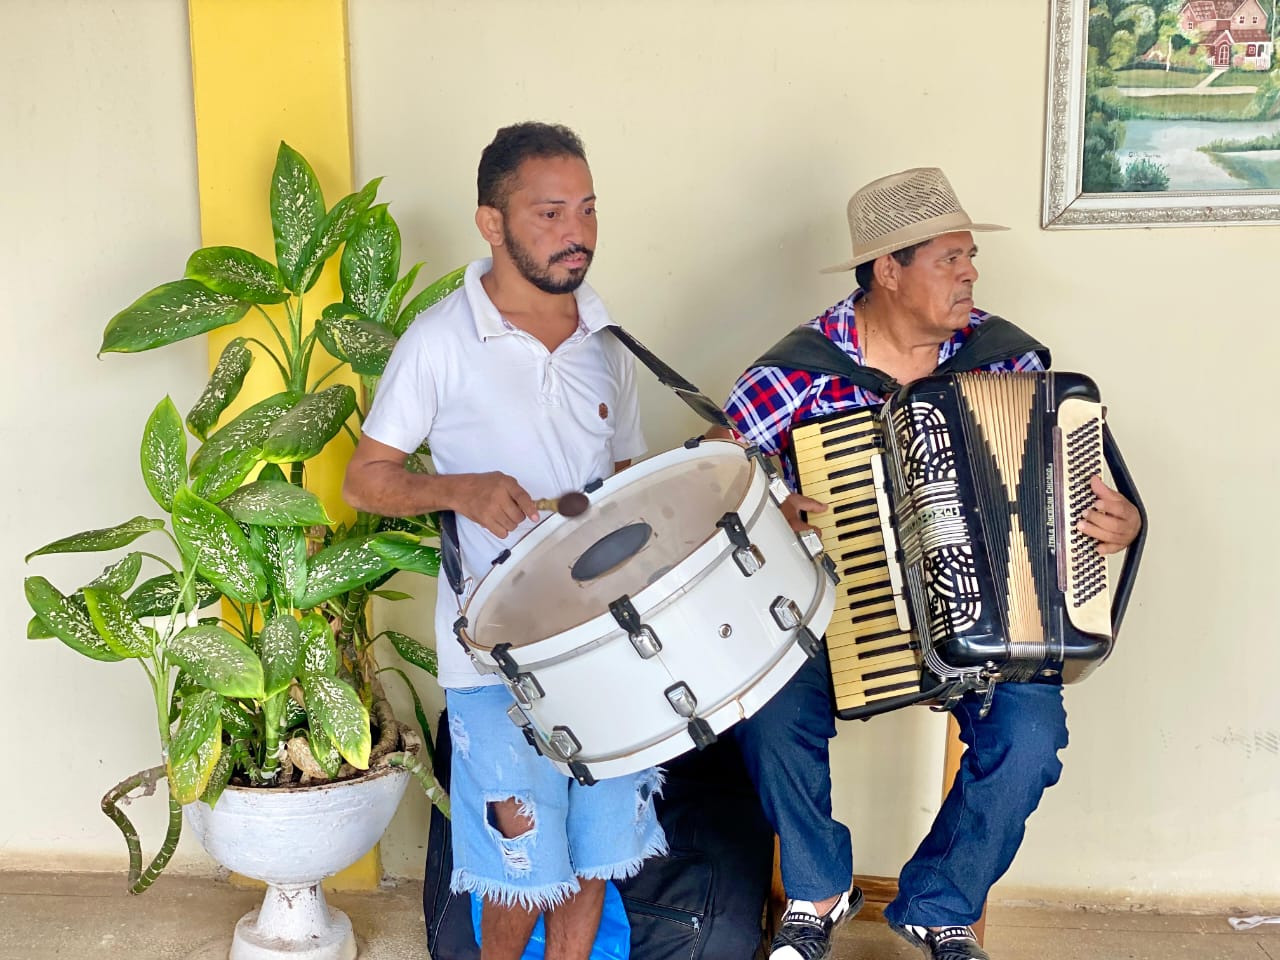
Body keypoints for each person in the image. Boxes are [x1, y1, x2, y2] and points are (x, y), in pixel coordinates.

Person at [715, 167, 1142, 960]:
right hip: (837, 614)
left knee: (1032, 731)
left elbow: (1069, 493)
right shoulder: (797, 373)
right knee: (767, 712)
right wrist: (767, 503)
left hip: (982, 624)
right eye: (950, 259)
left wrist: (1119, 520)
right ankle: (817, 889)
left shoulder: (1006, 361)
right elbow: (711, 476)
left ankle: (940, 901)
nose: (970, 273)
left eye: (969, 256)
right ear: (889, 270)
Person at [343, 122, 666, 960]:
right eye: (550, 213)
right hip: (494, 656)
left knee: (594, 854)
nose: (577, 232)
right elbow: (364, 480)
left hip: (606, 640)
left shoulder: (609, 345)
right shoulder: (440, 341)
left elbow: (626, 484)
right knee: (519, 864)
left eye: (587, 209)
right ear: (491, 222)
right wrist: (459, 490)